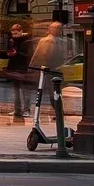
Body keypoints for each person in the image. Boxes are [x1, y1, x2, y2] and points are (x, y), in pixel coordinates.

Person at [28, 10, 72, 146]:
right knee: (50, 94)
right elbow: (38, 54)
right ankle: (58, 113)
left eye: (59, 28)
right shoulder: (45, 41)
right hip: (47, 71)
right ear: (50, 29)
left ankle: (59, 113)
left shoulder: (63, 42)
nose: (58, 30)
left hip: (58, 71)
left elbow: (66, 56)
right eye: (56, 28)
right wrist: (32, 66)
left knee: (57, 94)